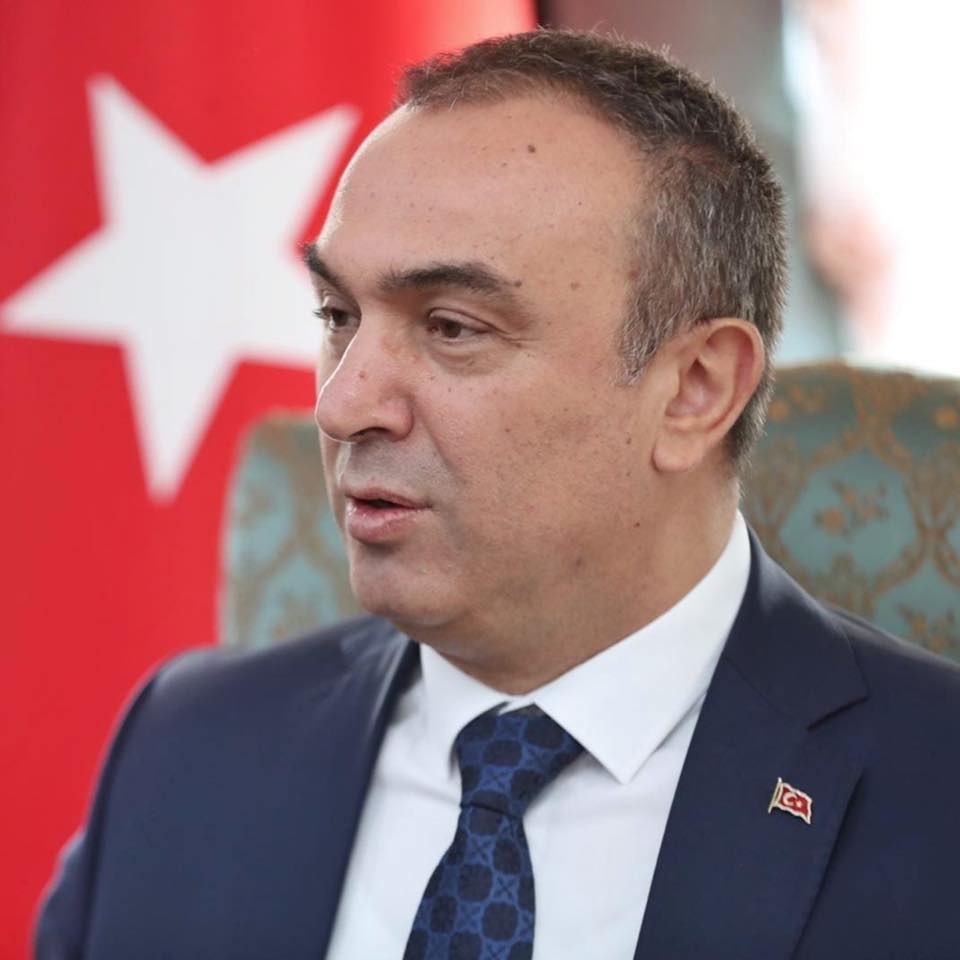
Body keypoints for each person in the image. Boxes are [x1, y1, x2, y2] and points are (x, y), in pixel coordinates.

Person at [36, 30, 960, 960]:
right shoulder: (184, 749)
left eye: (451, 327)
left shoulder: (936, 793)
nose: (341, 403)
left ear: (695, 390)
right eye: (338, 316)